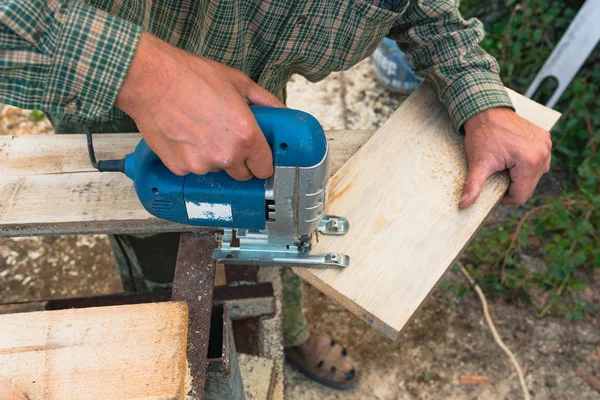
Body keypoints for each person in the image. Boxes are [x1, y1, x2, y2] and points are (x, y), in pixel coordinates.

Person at [0, 0, 552, 391]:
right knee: (166, 273)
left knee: (280, 245)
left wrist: (481, 99)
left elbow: (423, 9)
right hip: (114, 107)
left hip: (257, 111)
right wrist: (141, 76)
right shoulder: (144, 169)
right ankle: (185, 341)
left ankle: (289, 333)